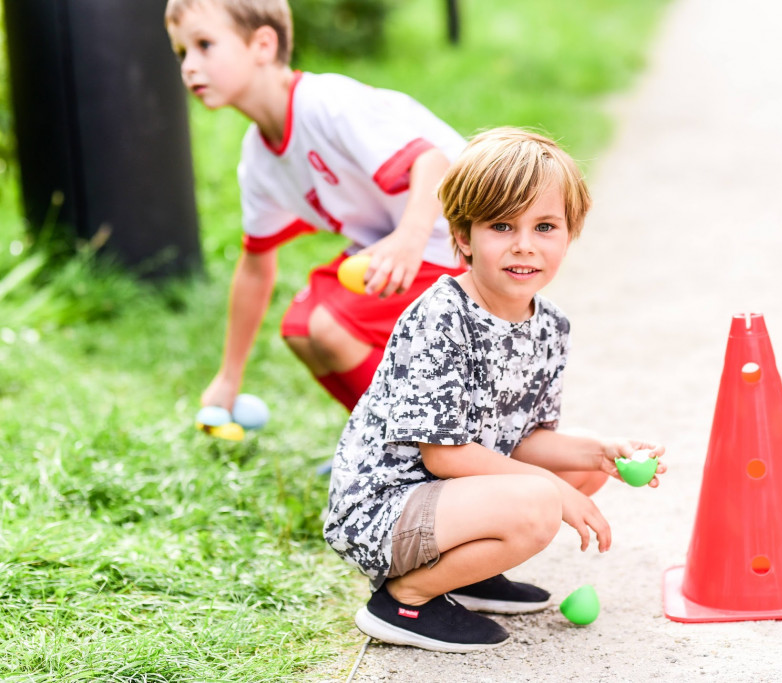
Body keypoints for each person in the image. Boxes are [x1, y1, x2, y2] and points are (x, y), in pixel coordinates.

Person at [323, 128, 667, 652]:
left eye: (545, 226)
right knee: (539, 499)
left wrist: (601, 452)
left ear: (569, 234)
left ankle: (464, 574)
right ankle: (406, 599)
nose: (524, 245)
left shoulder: (550, 325)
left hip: (447, 503)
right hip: (383, 510)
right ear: (463, 237)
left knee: (577, 469)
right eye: (501, 226)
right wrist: (553, 494)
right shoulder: (442, 317)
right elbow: (442, 456)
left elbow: (523, 439)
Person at [165, 0, 467, 413]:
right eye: (182, 52)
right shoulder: (258, 159)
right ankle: (378, 445)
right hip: (406, 241)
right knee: (301, 329)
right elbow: (255, 266)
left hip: (463, 232)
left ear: (263, 45)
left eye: (204, 45)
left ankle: (434, 442)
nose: (189, 66)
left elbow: (435, 162)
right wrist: (229, 376)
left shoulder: (326, 102)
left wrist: (406, 243)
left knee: (331, 325)